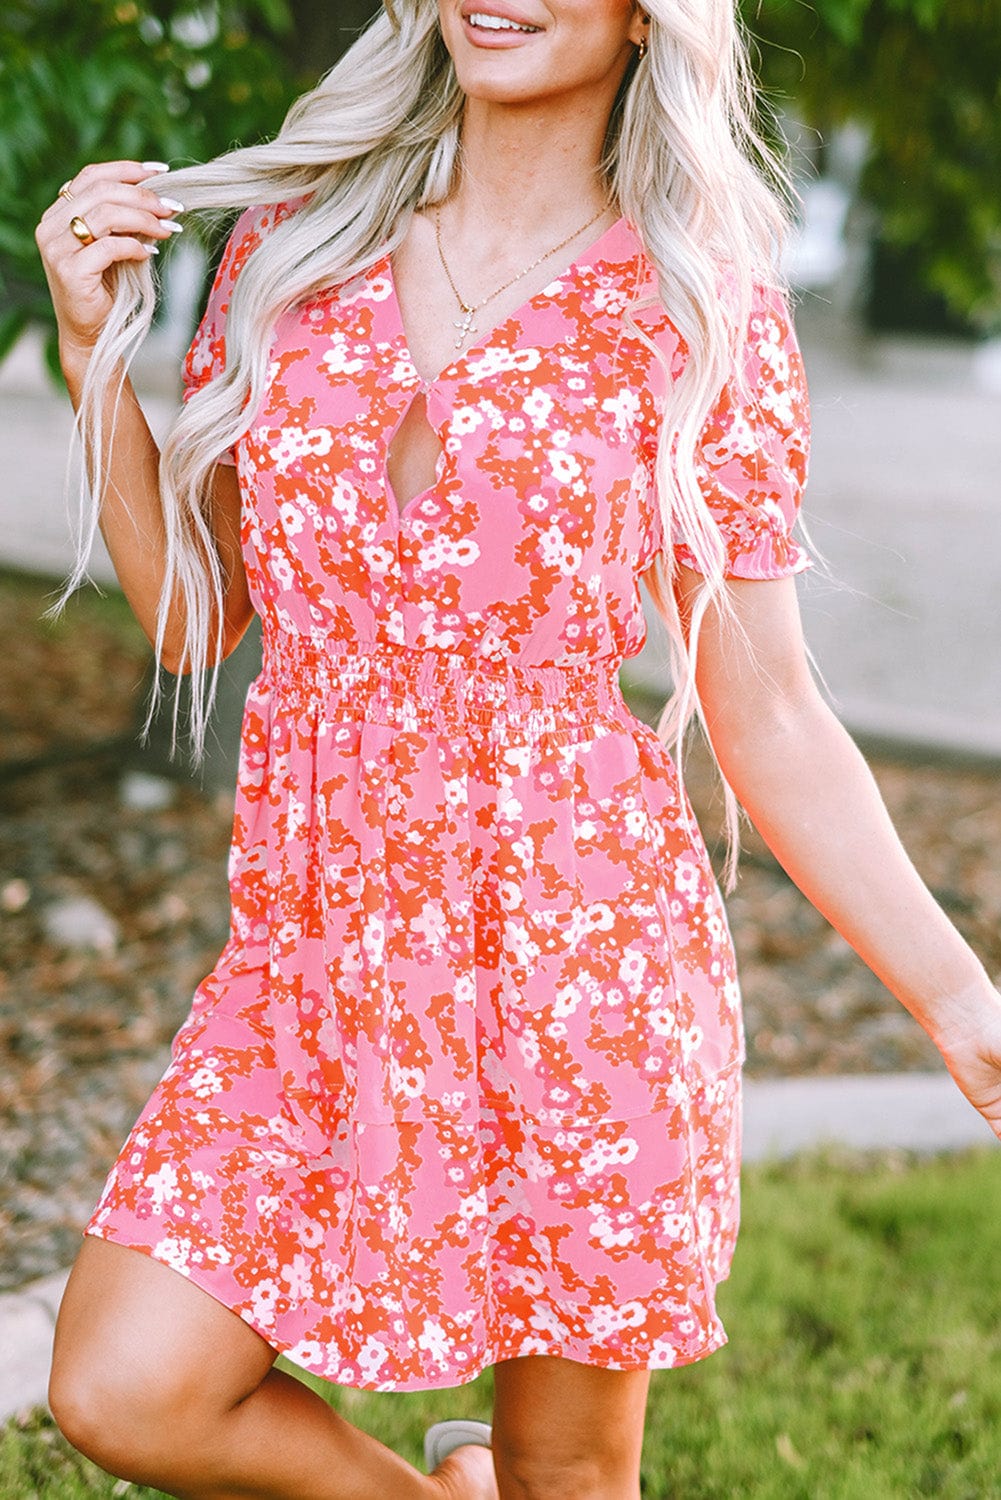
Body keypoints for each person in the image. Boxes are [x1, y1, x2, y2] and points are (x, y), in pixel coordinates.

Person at [35, 2, 1001, 1497]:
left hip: (583, 971)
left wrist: (955, 999)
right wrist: (95, 349)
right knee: (122, 1386)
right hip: (312, 969)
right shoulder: (296, 243)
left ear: (644, 16)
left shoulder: (695, 309)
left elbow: (770, 709)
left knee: (567, 1475)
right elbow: (190, 622)